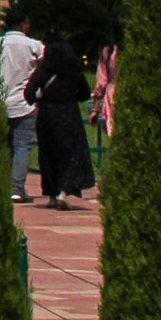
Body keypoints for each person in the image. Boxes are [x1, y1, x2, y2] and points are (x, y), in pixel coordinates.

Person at [32, 33, 95, 207]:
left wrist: (39, 99)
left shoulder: (44, 70)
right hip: (69, 115)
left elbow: (29, 92)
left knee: (48, 154)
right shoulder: (74, 71)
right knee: (70, 154)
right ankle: (64, 191)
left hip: (47, 116)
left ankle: (51, 194)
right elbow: (84, 93)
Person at [0, 5, 46, 201]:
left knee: (2, 146)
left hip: (0, 100)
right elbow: (43, 67)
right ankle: (17, 187)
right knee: (22, 146)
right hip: (24, 102)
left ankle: (0, 184)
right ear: (24, 24)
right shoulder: (34, 46)